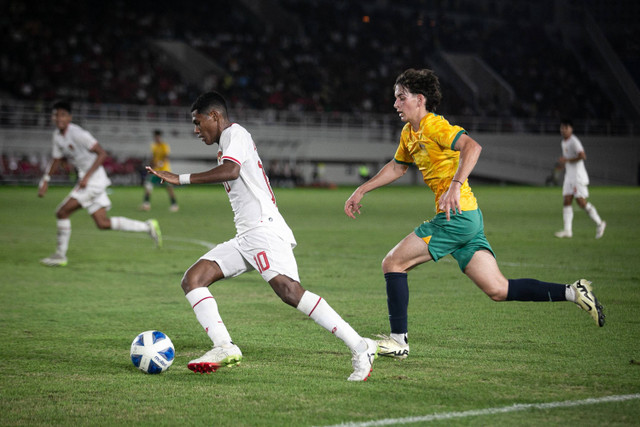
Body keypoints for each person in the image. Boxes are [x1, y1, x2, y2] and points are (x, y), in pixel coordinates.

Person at [343, 69, 605, 360]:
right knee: (498, 288)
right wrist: (361, 190)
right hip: (467, 217)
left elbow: (473, 146)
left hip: (456, 217)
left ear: (420, 100)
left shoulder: (435, 126)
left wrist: (455, 185)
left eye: (401, 98)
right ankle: (574, 291)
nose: (395, 104)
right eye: (395, 98)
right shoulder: (409, 133)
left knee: (393, 263)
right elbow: (397, 167)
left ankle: (398, 341)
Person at [146, 91, 377, 381]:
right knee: (193, 280)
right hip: (247, 234)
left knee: (290, 292)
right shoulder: (228, 141)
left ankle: (360, 345)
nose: (195, 130)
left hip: (262, 229)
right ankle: (224, 346)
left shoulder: (235, 133)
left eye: (198, 121)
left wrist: (180, 178)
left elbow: (230, 171)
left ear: (215, 116)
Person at [38, 101, 162, 267]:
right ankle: (147, 227)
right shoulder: (58, 136)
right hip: (89, 179)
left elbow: (102, 153)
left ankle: (60, 255)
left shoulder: (78, 134)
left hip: (93, 180)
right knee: (102, 223)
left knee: (62, 212)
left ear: (69, 117)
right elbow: (57, 159)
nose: (58, 118)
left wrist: (87, 177)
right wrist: (46, 179)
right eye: (55, 115)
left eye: (62, 115)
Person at [554, 119, 606, 239]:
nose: (563, 130)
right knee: (566, 200)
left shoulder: (574, 141)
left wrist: (566, 160)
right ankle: (568, 231)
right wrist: (563, 164)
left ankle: (600, 223)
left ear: (571, 129)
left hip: (578, 176)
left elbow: (582, 156)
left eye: (566, 128)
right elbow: (568, 158)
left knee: (581, 202)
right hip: (569, 176)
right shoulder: (564, 142)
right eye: (562, 127)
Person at [141, 130, 179, 212]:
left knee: (169, 188)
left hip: (165, 170)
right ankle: (146, 204)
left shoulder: (164, 146)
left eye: (157, 136)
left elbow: (166, 156)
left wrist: (161, 162)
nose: (156, 138)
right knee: (148, 185)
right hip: (156, 170)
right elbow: (152, 157)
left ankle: (174, 205)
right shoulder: (153, 146)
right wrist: (152, 164)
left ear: (160, 137)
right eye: (155, 137)